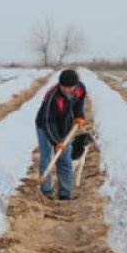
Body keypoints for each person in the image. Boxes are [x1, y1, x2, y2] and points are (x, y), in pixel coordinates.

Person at [35, 68, 87, 200]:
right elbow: (48, 122)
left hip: (65, 126)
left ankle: (65, 193)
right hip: (45, 126)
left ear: (76, 85)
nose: (67, 90)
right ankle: (46, 191)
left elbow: (79, 102)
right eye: (64, 87)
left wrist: (79, 115)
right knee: (47, 157)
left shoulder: (80, 88)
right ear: (59, 84)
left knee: (65, 160)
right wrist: (56, 141)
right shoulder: (53, 97)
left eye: (70, 87)